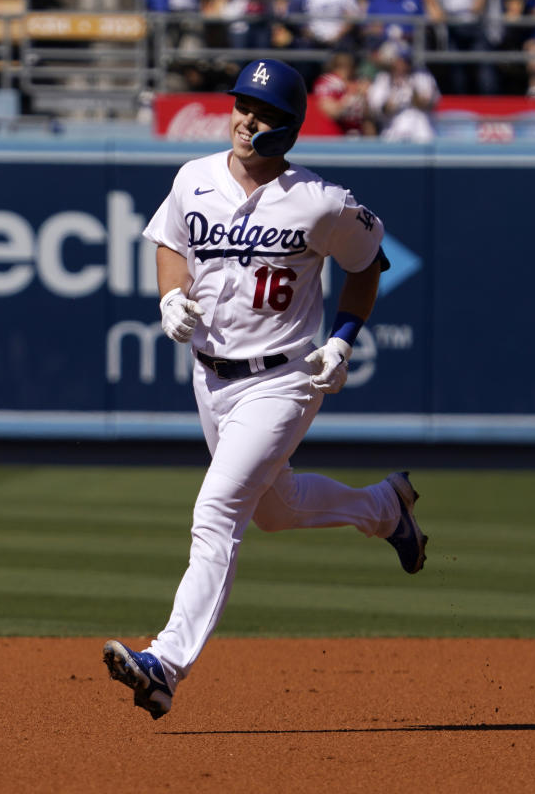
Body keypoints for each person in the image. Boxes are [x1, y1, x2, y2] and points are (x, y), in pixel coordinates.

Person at [102, 58, 429, 720]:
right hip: (212, 376)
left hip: (284, 377)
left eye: (265, 112)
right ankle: (386, 509)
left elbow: (369, 265)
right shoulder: (194, 178)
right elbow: (170, 239)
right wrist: (171, 297)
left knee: (219, 510)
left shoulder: (320, 201)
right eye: (242, 105)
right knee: (273, 509)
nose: (247, 120)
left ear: (289, 126)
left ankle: (165, 663)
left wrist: (342, 338)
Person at [367, 43, 441, 140]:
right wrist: (393, 99)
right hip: (393, 134)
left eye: (406, 60)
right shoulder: (382, 80)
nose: (403, 64)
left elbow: (427, 104)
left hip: (422, 134)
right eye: (399, 60)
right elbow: (377, 109)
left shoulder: (422, 76)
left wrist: (410, 88)